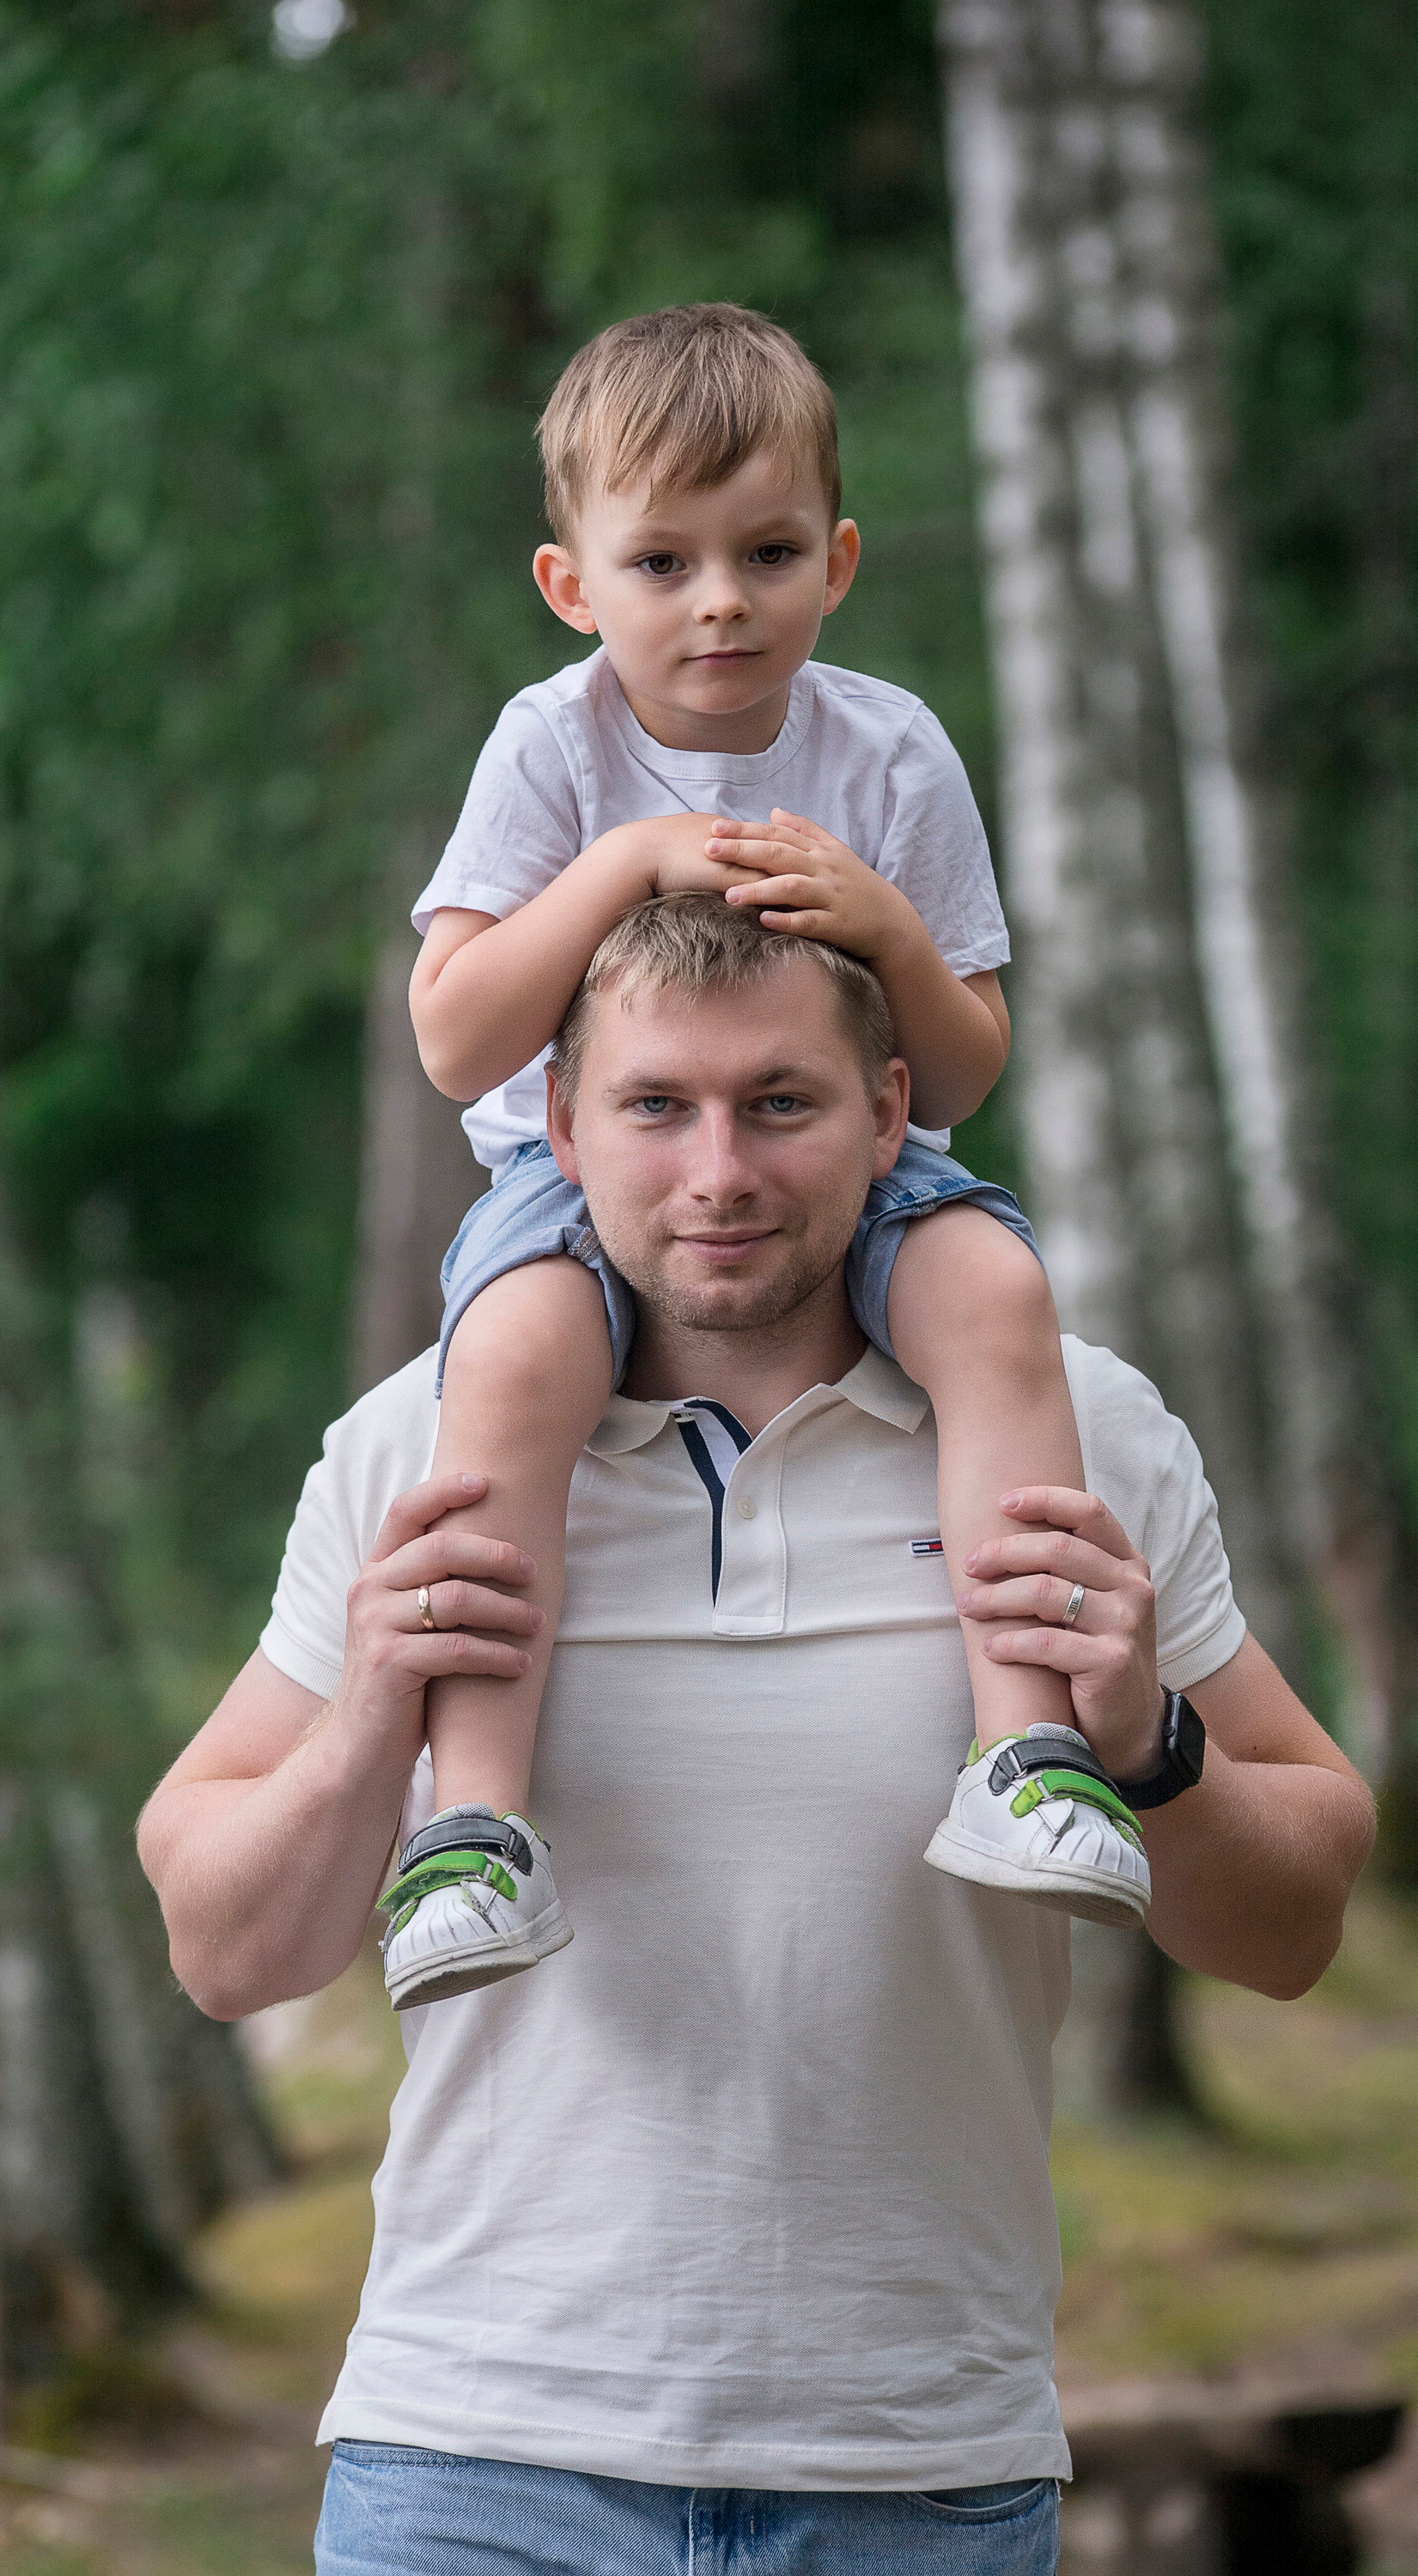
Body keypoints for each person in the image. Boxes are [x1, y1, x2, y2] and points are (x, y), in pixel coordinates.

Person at [139, 896, 1376, 2576]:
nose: (718, 1172)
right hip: (475, 2466)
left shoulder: (1069, 1431)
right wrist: (371, 1721)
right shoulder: (423, 1446)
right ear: (559, 1123)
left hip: (921, 2472)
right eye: (656, 1106)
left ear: (888, 1111)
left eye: (779, 1103)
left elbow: (1297, 1926)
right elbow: (222, 1949)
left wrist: (1148, 1741)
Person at [390, 301, 1129, 2010]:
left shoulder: (890, 750)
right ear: (573, 584)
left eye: (768, 553)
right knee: (515, 1353)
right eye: (662, 562)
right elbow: (455, 1038)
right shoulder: (551, 745)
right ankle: (473, 1826)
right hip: (579, 1183)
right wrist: (627, 862)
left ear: (838, 562)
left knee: (991, 1291)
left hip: (854, 1168)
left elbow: (963, 1067)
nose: (718, 601)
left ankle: (1026, 1754)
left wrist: (888, 930)